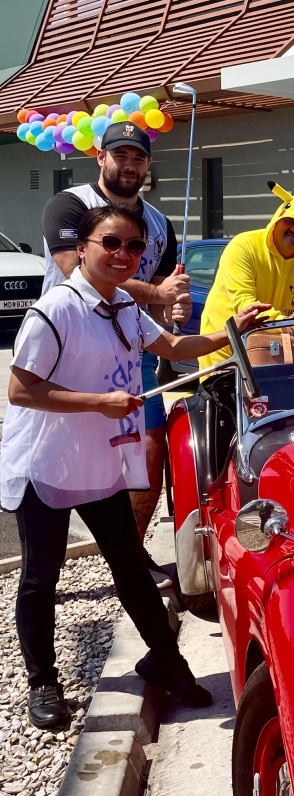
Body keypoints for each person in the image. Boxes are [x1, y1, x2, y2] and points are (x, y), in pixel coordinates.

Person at [2, 205, 267, 729]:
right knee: (41, 575)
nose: (123, 254)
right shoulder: (55, 310)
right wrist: (98, 403)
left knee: (129, 564)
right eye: (111, 243)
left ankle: (167, 661)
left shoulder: (123, 305)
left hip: (97, 459)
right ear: (82, 248)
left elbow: (174, 345)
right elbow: (20, 389)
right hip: (47, 462)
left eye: (135, 246)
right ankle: (43, 681)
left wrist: (229, 333)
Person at [41, 122, 192, 569]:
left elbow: (161, 296)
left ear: (148, 165)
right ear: (100, 158)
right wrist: (158, 293)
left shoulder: (160, 223)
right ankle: (45, 568)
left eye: (138, 158)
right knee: (62, 459)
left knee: (149, 449)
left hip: (132, 348)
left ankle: (131, 557)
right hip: (68, 347)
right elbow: (78, 273)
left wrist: (174, 305)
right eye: (120, 155)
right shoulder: (69, 205)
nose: (129, 165)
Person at [199, 185, 294, 369]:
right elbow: (245, 305)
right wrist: (285, 324)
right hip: (224, 347)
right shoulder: (243, 246)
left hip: (275, 350)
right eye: (289, 220)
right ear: (277, 221)